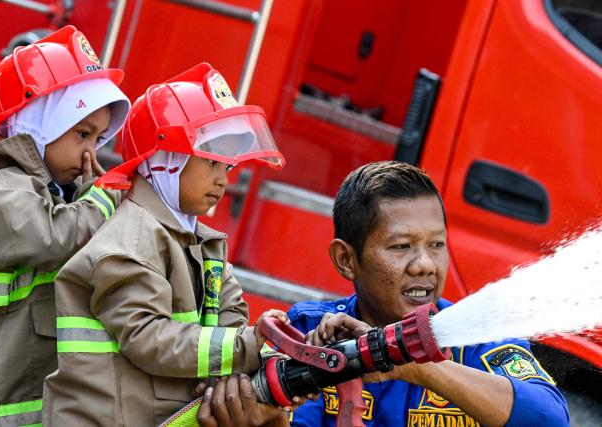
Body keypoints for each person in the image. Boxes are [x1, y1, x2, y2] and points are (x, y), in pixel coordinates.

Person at [42, 63, 291, 427]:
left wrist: (256, 347)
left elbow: (230, 313)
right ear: (166, 162)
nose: (223, 181)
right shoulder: (130, 241)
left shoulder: (205, 243)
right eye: (211, 162)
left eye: (229, 169)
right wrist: (244, 346)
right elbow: (148, 338)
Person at [287, 161, 569, 426]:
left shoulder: (478, 339)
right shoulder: (309, 332)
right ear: (346, 259)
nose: (425, 264)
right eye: (401, 246)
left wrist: (409, 364)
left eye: (436, 244)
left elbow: (551, 418)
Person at [0, 26, 129, 426]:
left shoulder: (65, 198)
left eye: (100, 138)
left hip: (32, 406)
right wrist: (103, 200)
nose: (92, 152)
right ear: (36, 125)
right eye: (82, 134)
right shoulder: (0, 187)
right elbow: (48, 236)